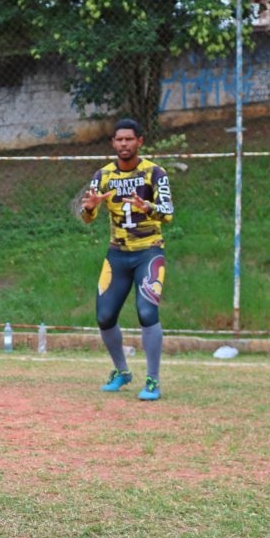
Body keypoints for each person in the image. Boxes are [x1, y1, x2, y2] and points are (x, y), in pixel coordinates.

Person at [79, 118, 174, 401]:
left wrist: (150, 207)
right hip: (117, 254)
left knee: (147, 313)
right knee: (104, 316)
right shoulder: (103, 175)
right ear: (113, 143)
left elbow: (168, 212)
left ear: (139, 142)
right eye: (119, 140)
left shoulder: (154, 173)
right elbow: (87, 218)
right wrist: (90, 208)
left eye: (129, 139)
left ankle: (153, 380)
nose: (123, 144)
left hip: (149, 251)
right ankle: (122, 371)